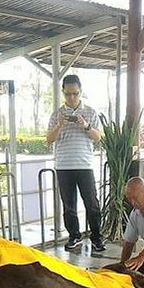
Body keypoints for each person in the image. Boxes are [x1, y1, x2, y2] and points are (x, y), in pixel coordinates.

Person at [47, 74, 105, 252]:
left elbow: (98, 137)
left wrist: (86, 125)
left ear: (80, 92)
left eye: (75, 93)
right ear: (63, 92)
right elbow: (49, 139)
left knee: (92, 204)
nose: (72, 97)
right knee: (69, 205)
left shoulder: (90, 112)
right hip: (64, 166)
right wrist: (59, 125)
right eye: (68, 94)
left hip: (85, 165)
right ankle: (74, 236)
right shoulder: (57, 114)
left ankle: (97, 237)